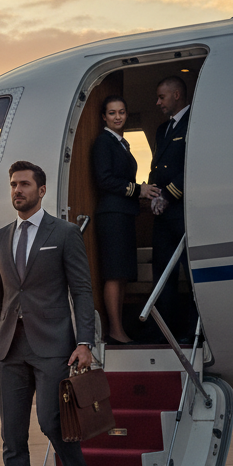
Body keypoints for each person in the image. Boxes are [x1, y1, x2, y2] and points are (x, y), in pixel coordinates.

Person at [0, 161, 96, 466]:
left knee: (50, 420)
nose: (18, 190)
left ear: (41, 190)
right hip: (10, 348)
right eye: (13, 185)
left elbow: (81, 290)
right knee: (12, 438)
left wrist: (84, 342)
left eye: (25, 184)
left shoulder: (64, 233)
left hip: (52, 345)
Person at [90, 95, 160, 343]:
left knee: (121, 275)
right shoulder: (103, 142)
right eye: (112, 113)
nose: (117, 117)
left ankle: (119, 329)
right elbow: (105, 180)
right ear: (104, 117)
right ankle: (115, 330)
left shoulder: (122, 143)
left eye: (121, 112)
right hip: (112, 214)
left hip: (124, 212)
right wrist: (137, 189)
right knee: (114, 273)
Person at [149, 76, 196, 340]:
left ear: (177, 95)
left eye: (162, 97)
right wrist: (154, 192)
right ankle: (163, 331)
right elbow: (158, 166)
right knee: (162, 274)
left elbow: (191, 164)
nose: (157, 102)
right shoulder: (161, 130)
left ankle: (192, 331)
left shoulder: (195, 122)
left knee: (190, 275)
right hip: (163, 214)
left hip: (183, 212)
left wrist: (168, 194)